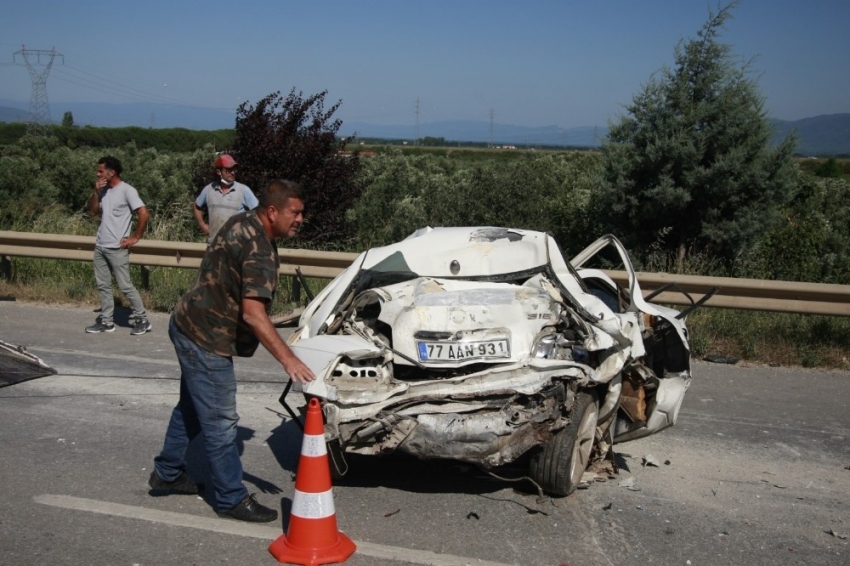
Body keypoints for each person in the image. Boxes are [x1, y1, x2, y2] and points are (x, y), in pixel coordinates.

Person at [149, 179, 316, 523]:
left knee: (193, 409)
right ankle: (230, 497)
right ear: (272, 211)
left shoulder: (242, 221)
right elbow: (253, 314)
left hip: (186, 322)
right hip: (206, 339)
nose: (301, 218)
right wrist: (289, 360)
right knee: (222, 422)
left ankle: (166, 473)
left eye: (302, 212)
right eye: (294, 212)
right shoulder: (259, 249)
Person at [85, 156, 152, 335]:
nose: (97, 174)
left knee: (125, 286)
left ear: (111, 172)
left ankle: (142, 319)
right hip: (101, 245)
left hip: (117, 248)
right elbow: (93, 212)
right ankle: (107, 322)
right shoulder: (104, 190)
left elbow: (144, 214)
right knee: (103, 285)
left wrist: (134, 237)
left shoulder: (127, 190)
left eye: (100, 171)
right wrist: (96, 192)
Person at [193, 154, 259, 243]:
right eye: (228, 170)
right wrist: (202, 225)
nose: (233, 172)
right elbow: (197, 206)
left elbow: (258, 212)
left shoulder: (243, 190)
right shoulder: (209, 190)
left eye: (234, 169)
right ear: (218, 172)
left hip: (236, 248)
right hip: (214, 246)